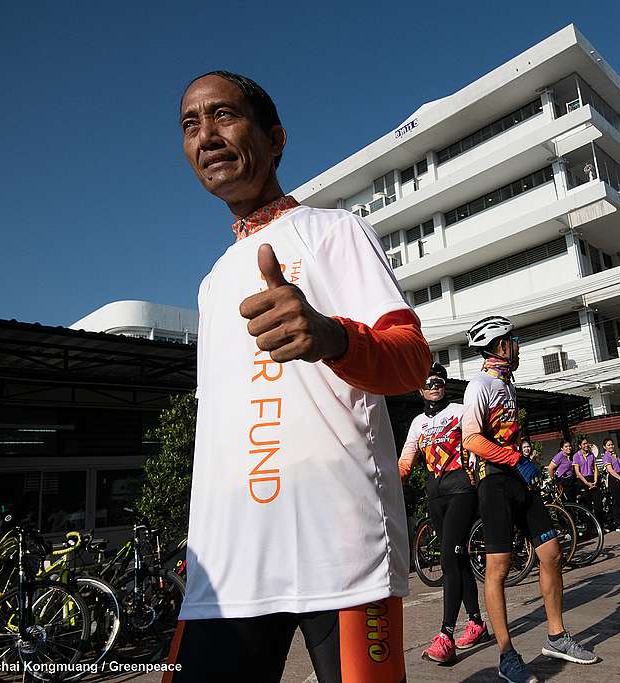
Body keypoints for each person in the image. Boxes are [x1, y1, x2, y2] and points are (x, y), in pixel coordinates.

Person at [169, 71, 430, 682]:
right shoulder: (211, 284)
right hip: (229, 569)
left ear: (275, 137)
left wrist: (333, 336)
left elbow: (411, 358)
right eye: (190, 124)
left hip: (340, 554)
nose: (206, 135)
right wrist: (201, 535)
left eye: (224, 116)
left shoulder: (336, 231)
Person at [461, 315, 597, 682]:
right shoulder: (480, 385)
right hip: (496, 483)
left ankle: (556, 636)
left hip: (520, 480)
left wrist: (524, 464)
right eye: (514, 340)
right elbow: (471, 439)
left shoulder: (507, 385)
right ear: (502, 345)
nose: (518, 346)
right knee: (499, 568)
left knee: (551, 554)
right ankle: (506, 654)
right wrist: (516, 460)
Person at [398, 363, 488, 664]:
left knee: (449, 557)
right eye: (428, 381)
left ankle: (446, 635)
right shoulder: (416, 423)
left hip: (462, 488)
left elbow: (479, 442)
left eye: (438, 380)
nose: (434, 385)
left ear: (445, 385)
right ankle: (476, 622)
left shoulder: (461, 411)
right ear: (419, 389)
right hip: (435, 495)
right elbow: (405, 463)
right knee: (458, 558)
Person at [600, 438, 620, 530]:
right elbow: (610, 470)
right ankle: (619, 523)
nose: (611, 446)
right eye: (608, 445)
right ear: (605, 447)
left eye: (612, 444)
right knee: (617, 502)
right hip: (614, 479)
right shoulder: (606, 456)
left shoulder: (616, 455)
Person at [572, 437, 604, 520]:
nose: (586, 445)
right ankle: (590, 526)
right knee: (587, 504)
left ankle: (600, 523)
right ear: (580, 446)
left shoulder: (591, 454)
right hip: (583, 480)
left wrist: (595, 480)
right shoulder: (576, 456)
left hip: (592, 478)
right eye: (584, 444)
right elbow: (577, 472)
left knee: (598, 503)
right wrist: (586, 483)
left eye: (587, 443)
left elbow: (595, 467)